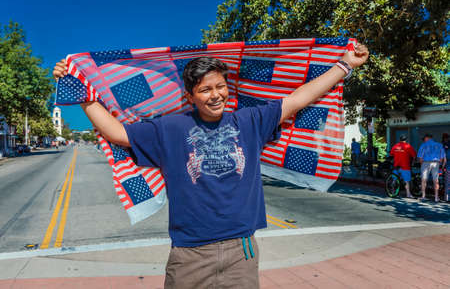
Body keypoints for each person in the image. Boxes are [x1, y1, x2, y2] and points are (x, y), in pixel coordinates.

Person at [53, 44, 369, 289]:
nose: (215, 95)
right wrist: (79, 91)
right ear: (190, 96)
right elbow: (116, 133)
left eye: (219, 86)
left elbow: (299, 98)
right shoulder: (170, 129)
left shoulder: (251, 121)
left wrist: (344, 65)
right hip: (189, 254)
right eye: (205, 90)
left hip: (240, 251)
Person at [417, 133, 446, 202]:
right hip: (436, 163)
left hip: (425, 163)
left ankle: (423, 196)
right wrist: (440, 165)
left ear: (427, 138)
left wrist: (422, 164)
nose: (424, 140)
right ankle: (436, 197)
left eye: (424, 139)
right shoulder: (439, 145)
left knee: (424, 180)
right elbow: (442, 158)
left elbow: (420, 158)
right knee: (436, 180)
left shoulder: (423, 145)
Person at [442, 133, 449, 201]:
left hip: (448, 167)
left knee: (447, 183)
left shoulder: (445, 146)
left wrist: (442, 166)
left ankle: (447, 198)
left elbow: (445, 158)